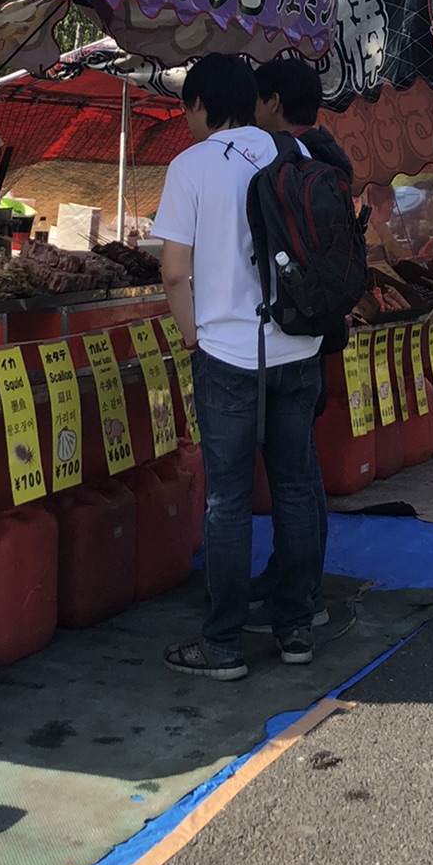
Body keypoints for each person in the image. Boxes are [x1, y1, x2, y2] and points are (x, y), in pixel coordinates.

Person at [154, 55, 324, 680]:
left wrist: (192, 334)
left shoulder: (192, 166)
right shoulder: (294, 156)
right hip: (298, 348)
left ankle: (223, 645)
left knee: (227, 499)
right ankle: (297, 628)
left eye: (186, 108)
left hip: (227, 351)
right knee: (295, 485)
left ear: (199, 106)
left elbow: (175, 271)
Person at [249, 54, 345, 634]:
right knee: (299, 467)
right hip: (320, 320)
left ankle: (299, 588)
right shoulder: (329, 155)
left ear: (275, 104)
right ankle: (294, 575)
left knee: (295, 470)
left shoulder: (295, 157)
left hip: (298, 327)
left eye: (260, 101)